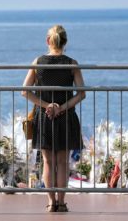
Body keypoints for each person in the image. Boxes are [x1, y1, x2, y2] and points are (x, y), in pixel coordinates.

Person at [22, 25, 85, 212]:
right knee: (62, 162)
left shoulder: (38, 62)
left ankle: (51, 202)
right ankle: (62, 201)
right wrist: (61, 107)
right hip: (66, 117)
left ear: (48, 41)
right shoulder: (72, 63)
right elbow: (81, 94)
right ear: (65, 42)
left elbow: (25, 91)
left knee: (48, 162)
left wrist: (47, 106)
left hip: (44, 117)